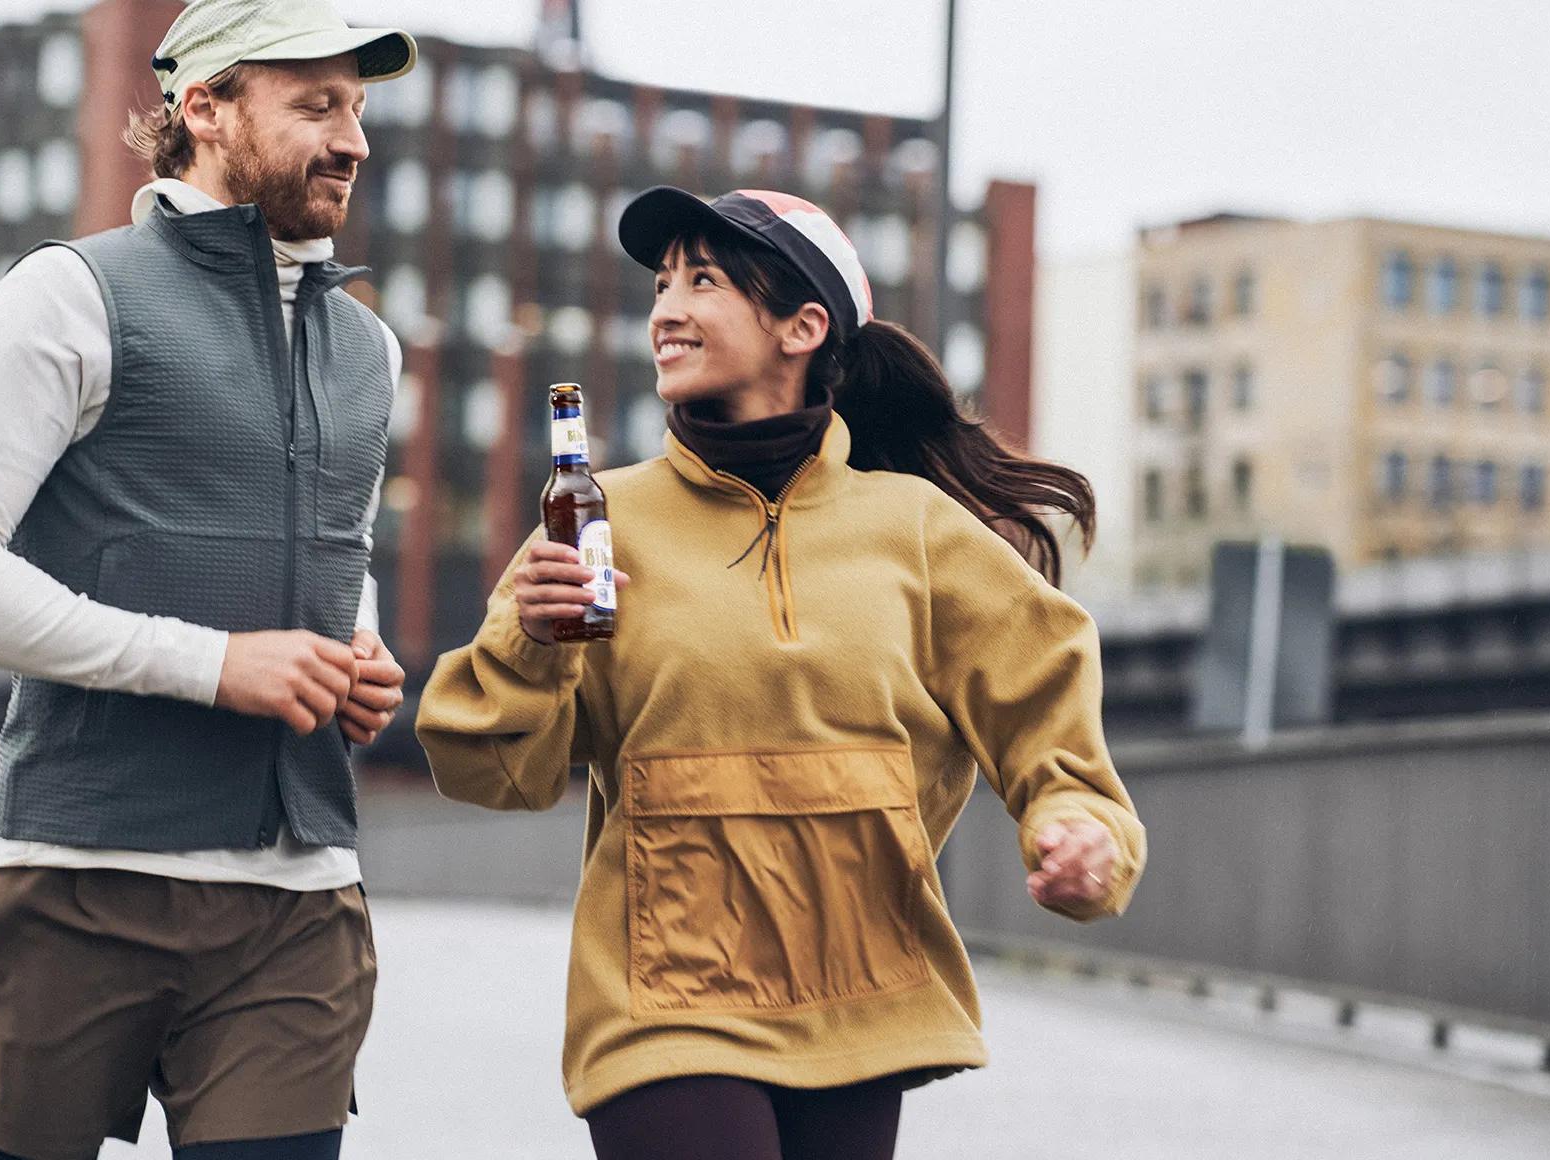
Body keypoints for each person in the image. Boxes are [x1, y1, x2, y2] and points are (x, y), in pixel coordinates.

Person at [414, 186, 1148, 1160]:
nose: (666, 307)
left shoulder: (917, 531)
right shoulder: (597, 522)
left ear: (804, 326)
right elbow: (490, 769)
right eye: (663, 282)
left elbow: (1047, 714)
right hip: (663, 1000)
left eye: (703, 280)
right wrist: (530, 645)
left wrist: (1079, 826)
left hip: (860, 997)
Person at [0, 1, 416, 1155]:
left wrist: (358, 649)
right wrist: (213, 663)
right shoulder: (68, 294)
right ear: (204, 106)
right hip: (78, 879)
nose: (354, 140)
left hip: (300, 895)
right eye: (316, 103)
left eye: (361, 109)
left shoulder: (372, 350)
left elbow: (344, 550)